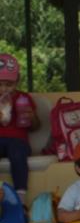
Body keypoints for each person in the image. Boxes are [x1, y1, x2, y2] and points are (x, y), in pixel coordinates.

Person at [0, 53, 40, 202]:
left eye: (9, 84)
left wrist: (32, 117)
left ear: (17, 81)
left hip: (18, 141)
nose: (4, 89)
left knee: (17, 155)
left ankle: (20, 196)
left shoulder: (24, 98)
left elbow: (35, 127)